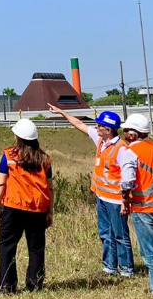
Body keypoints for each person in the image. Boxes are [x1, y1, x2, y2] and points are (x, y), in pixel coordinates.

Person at [47, 103, 135, 278]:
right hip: (101, 196)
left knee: (120, 234)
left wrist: (126, 200)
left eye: (100, 125)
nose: (96, 127)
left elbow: (128, 179)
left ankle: (126, 269)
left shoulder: (122, 150)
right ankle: (109, 267)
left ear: (108, 129)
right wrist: (62, 112)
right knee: (105, 233)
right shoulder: (101, 140)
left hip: (116, 201)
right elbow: (80, 125)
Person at [0, 118, 54, 294]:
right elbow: (49, 187)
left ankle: (6, 285)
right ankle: (35, 284)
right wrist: (50, 211)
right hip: (38, 208)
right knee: (36, 247)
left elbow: (1, 183)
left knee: (6, 246)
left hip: (14, 207)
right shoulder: (45, 159)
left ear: (17, 137)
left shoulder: (9, 155)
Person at [121, 113, 153, 296]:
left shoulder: (130, 152)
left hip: (144, 208)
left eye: (126, 130)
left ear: (134, 134)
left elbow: (127, 181)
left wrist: (126, 198)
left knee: (150, 251)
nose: (124, 133)